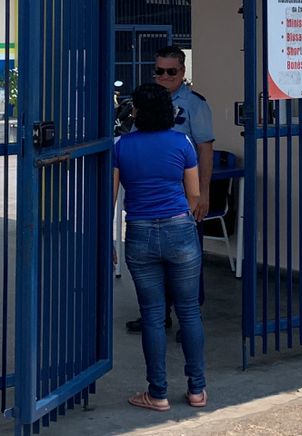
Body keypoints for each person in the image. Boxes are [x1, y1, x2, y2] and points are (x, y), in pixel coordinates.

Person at [114, 82, 207, 412]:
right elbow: (194, 194)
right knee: (189, 312)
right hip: (180, 229)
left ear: (136, 112)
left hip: (139, 234)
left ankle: (158, 393)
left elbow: (110, 199)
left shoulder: (121, 146)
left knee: (153, 316)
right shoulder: (182, 143)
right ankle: (197, 390)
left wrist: (106, 243)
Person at [126, 46, 214, 334]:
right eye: (159, 71)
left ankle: (191, 315)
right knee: (154, 263)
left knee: (188, 261)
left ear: (182, 72)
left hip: (183, 196)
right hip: (150, 198)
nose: (164, 76)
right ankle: (158, 315)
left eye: (171, 71)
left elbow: (204, 150)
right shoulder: (146, 101)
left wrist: (203, 193)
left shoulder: (195, 104)